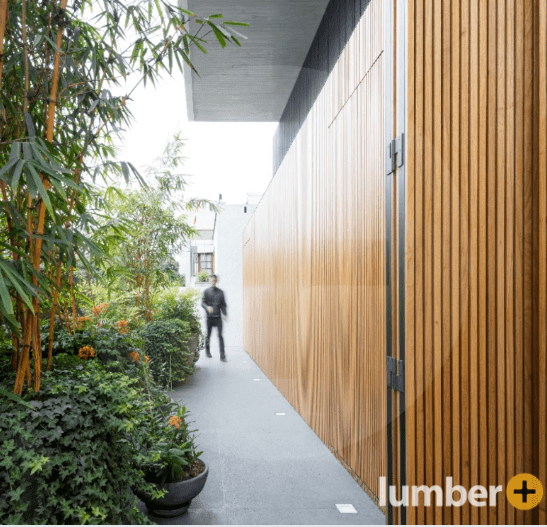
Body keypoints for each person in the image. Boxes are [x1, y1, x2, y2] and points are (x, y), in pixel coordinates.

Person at [201, 274, 228, 361]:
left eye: (215, 280)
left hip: (218, 318)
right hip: (209, 318)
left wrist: (225, 314)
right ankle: (207, 351)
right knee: (208, 335)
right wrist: (207, 307)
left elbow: (223, 305)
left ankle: (222, 355)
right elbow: (202, 303)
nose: (213, 282)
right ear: (209, 281)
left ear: (216, 281)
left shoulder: (220, 292)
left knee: (220, 335)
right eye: (212, 280)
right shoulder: (206, 291)